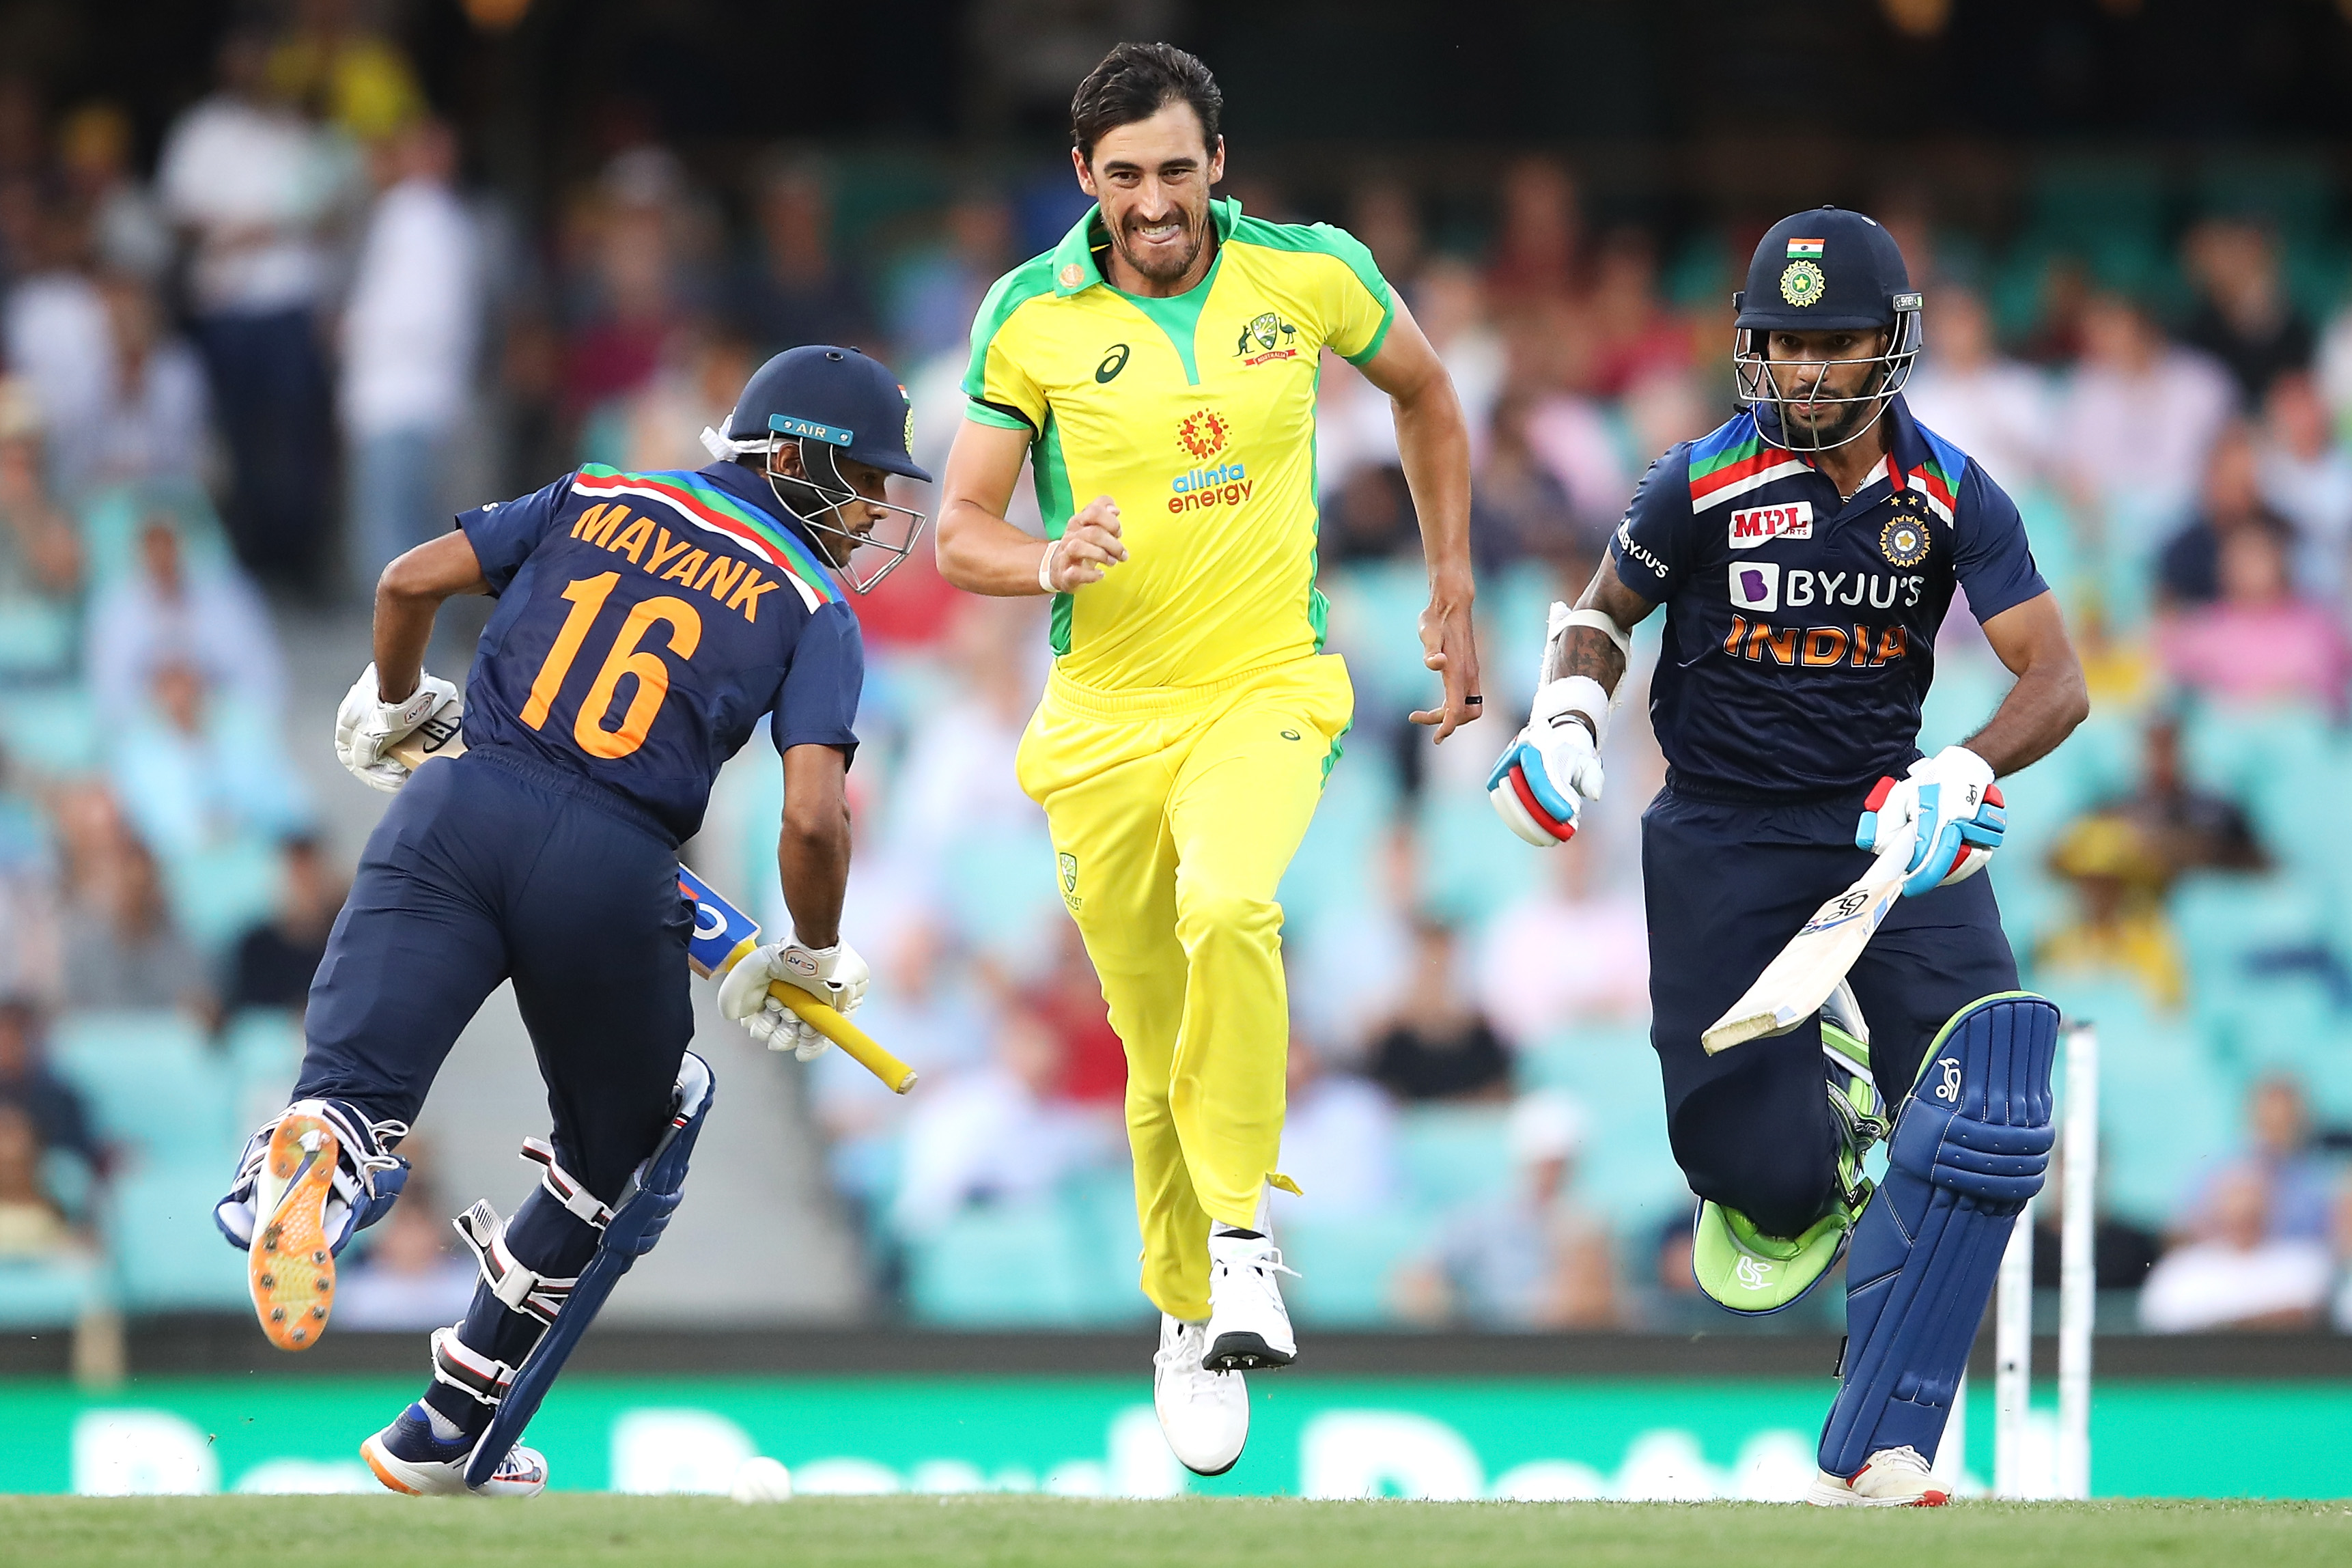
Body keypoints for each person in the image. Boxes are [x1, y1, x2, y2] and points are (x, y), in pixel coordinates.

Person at [209, 344, 930, 1496]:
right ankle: (453, 1420)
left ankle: (313, 1163)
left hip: (457, 805)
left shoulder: (595, 490)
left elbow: (404, 582)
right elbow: (810, 819)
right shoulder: (812, 603)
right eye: (859, 484)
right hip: (613, 864)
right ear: (792, 458)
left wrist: (396, 700)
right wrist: (814, 948)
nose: (872, 516)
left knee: (353, 1097)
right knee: (632, 1142)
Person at [936, 42, 1479, 1480]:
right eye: (1126, 177)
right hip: (1105, 720)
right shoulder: (1029, 318)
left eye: (1177, 169)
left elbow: (1426, 395)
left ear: (1217, 162)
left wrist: (1453, 584)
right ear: (1085, 181)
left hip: (1266, 689)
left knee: (1232, 905)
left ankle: (1241, 1242)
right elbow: (959, 531)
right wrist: (1048, 553)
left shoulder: (1308, 275)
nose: (1155, 201)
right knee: (1155, 1038)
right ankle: (1184, 1309)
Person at [1489, 208, 2088, 1505]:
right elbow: (1601, 614)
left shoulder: (1950, 492)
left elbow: (2058, 680)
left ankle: (1885, 1445)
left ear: (1892, 343)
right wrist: (1569, 714)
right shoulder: (1696, 478)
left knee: (1999, 1088)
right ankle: (1828, 1113)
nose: (1808, 370)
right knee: (1760, 1193)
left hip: (1887, 829)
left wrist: (1963, 767)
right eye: (1784, 342)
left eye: (1836, 342)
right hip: (1721, 841)